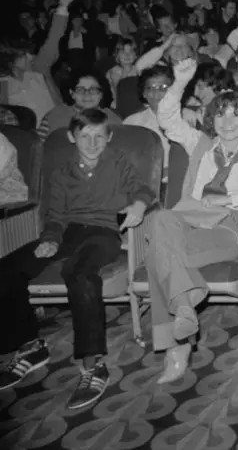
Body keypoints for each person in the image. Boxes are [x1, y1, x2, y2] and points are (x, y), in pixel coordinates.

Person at [0, 110, 155, 409]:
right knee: (8, 269)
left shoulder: (119, 163)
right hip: (68, 234)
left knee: (81, 273)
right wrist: (49, 239)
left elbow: (143, 188)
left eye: (99, 136)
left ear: (109, 138)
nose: (92, 142)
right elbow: (55, 216)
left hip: (104, 232)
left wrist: (138, 204)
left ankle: (92, 363)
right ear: (72, 138)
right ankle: (30, 346)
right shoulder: (62, 173)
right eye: (85, 136)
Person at [143, 58, 238, 384]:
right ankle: (185, 304)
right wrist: (179, 83)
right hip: (184, 220)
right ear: (211, 118)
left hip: (225, 226)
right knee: (161, 219)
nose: (227, 120)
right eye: (220, 113)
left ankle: (176, 347)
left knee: (157, 255)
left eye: (236, 113)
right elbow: (167, 119)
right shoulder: (199, 145)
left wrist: (232, 199)